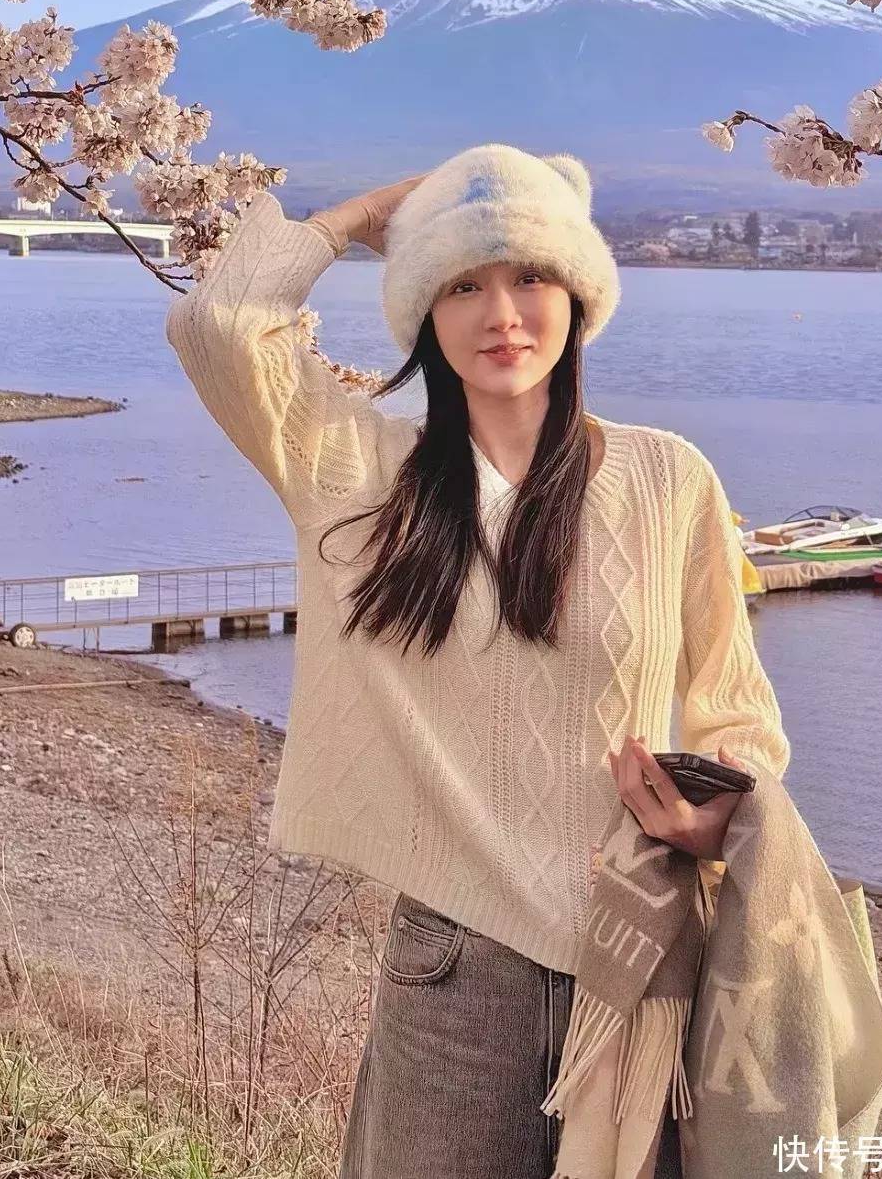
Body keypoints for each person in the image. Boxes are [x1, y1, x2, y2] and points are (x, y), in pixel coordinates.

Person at [166, 144, 789, 1179]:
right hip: (455, 969)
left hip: (639, 955)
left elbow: (737, 709)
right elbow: (217, 324)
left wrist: (717, 814)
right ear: (423, 311)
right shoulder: (361, 473)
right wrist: (363, 215)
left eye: (531, 274)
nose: (502, 313)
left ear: (579, 296)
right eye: (460, 282)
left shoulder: (668, 479)